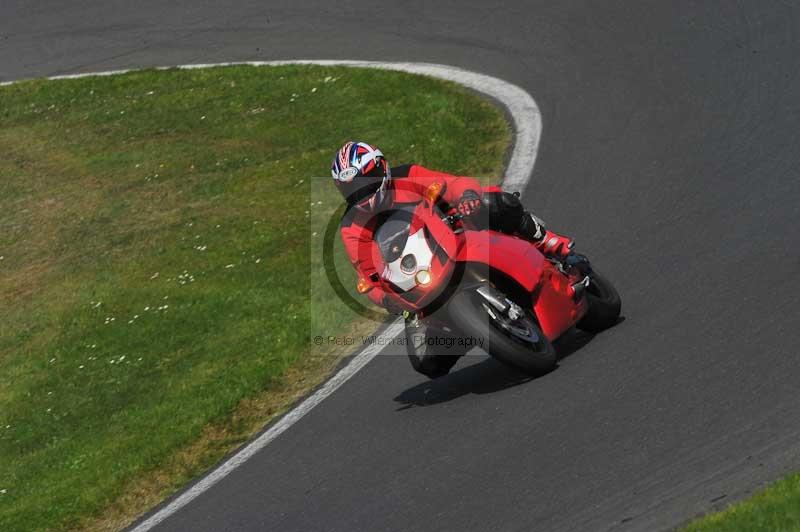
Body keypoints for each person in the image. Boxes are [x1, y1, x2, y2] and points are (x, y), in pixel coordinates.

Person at [331, 141, 574, 377]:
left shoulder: (406, 176)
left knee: (491, 203)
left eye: (364, 183)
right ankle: (472, 328)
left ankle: (545, 240)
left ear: (380, 168)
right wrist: (386, 299)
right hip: (417, 283)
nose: (360, 194)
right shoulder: (351, 226)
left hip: (455, 237)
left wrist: (467, 195)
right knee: (426, 363)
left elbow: (452, 184)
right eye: (350, 190)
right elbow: (367, 275)